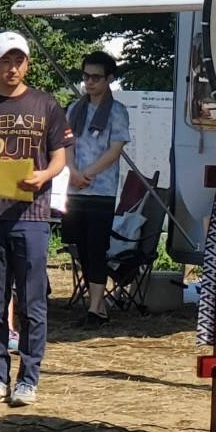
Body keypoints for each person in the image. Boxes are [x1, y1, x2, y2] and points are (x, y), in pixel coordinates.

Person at [0, 30, 70, 407]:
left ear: (27, 64)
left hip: (32, 214)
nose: (12, 68)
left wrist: (44, 175)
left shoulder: (45, 104)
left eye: (18, 60)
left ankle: (29, 378)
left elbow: (59, 155)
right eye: (5, 60)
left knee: (33, 300)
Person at [64, 50, 131, 327]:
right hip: (74, 188)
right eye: (85, 77)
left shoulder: (117, 111)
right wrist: (72, 172)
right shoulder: (74, 109)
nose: (89, 83)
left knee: (96, 248)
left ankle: (95, 308)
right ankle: (98, 306)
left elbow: (115, 151)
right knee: (79, 246)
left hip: (100, 190)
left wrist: (86, 174)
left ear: (109, 79)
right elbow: (66, 144)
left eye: (95, 77)